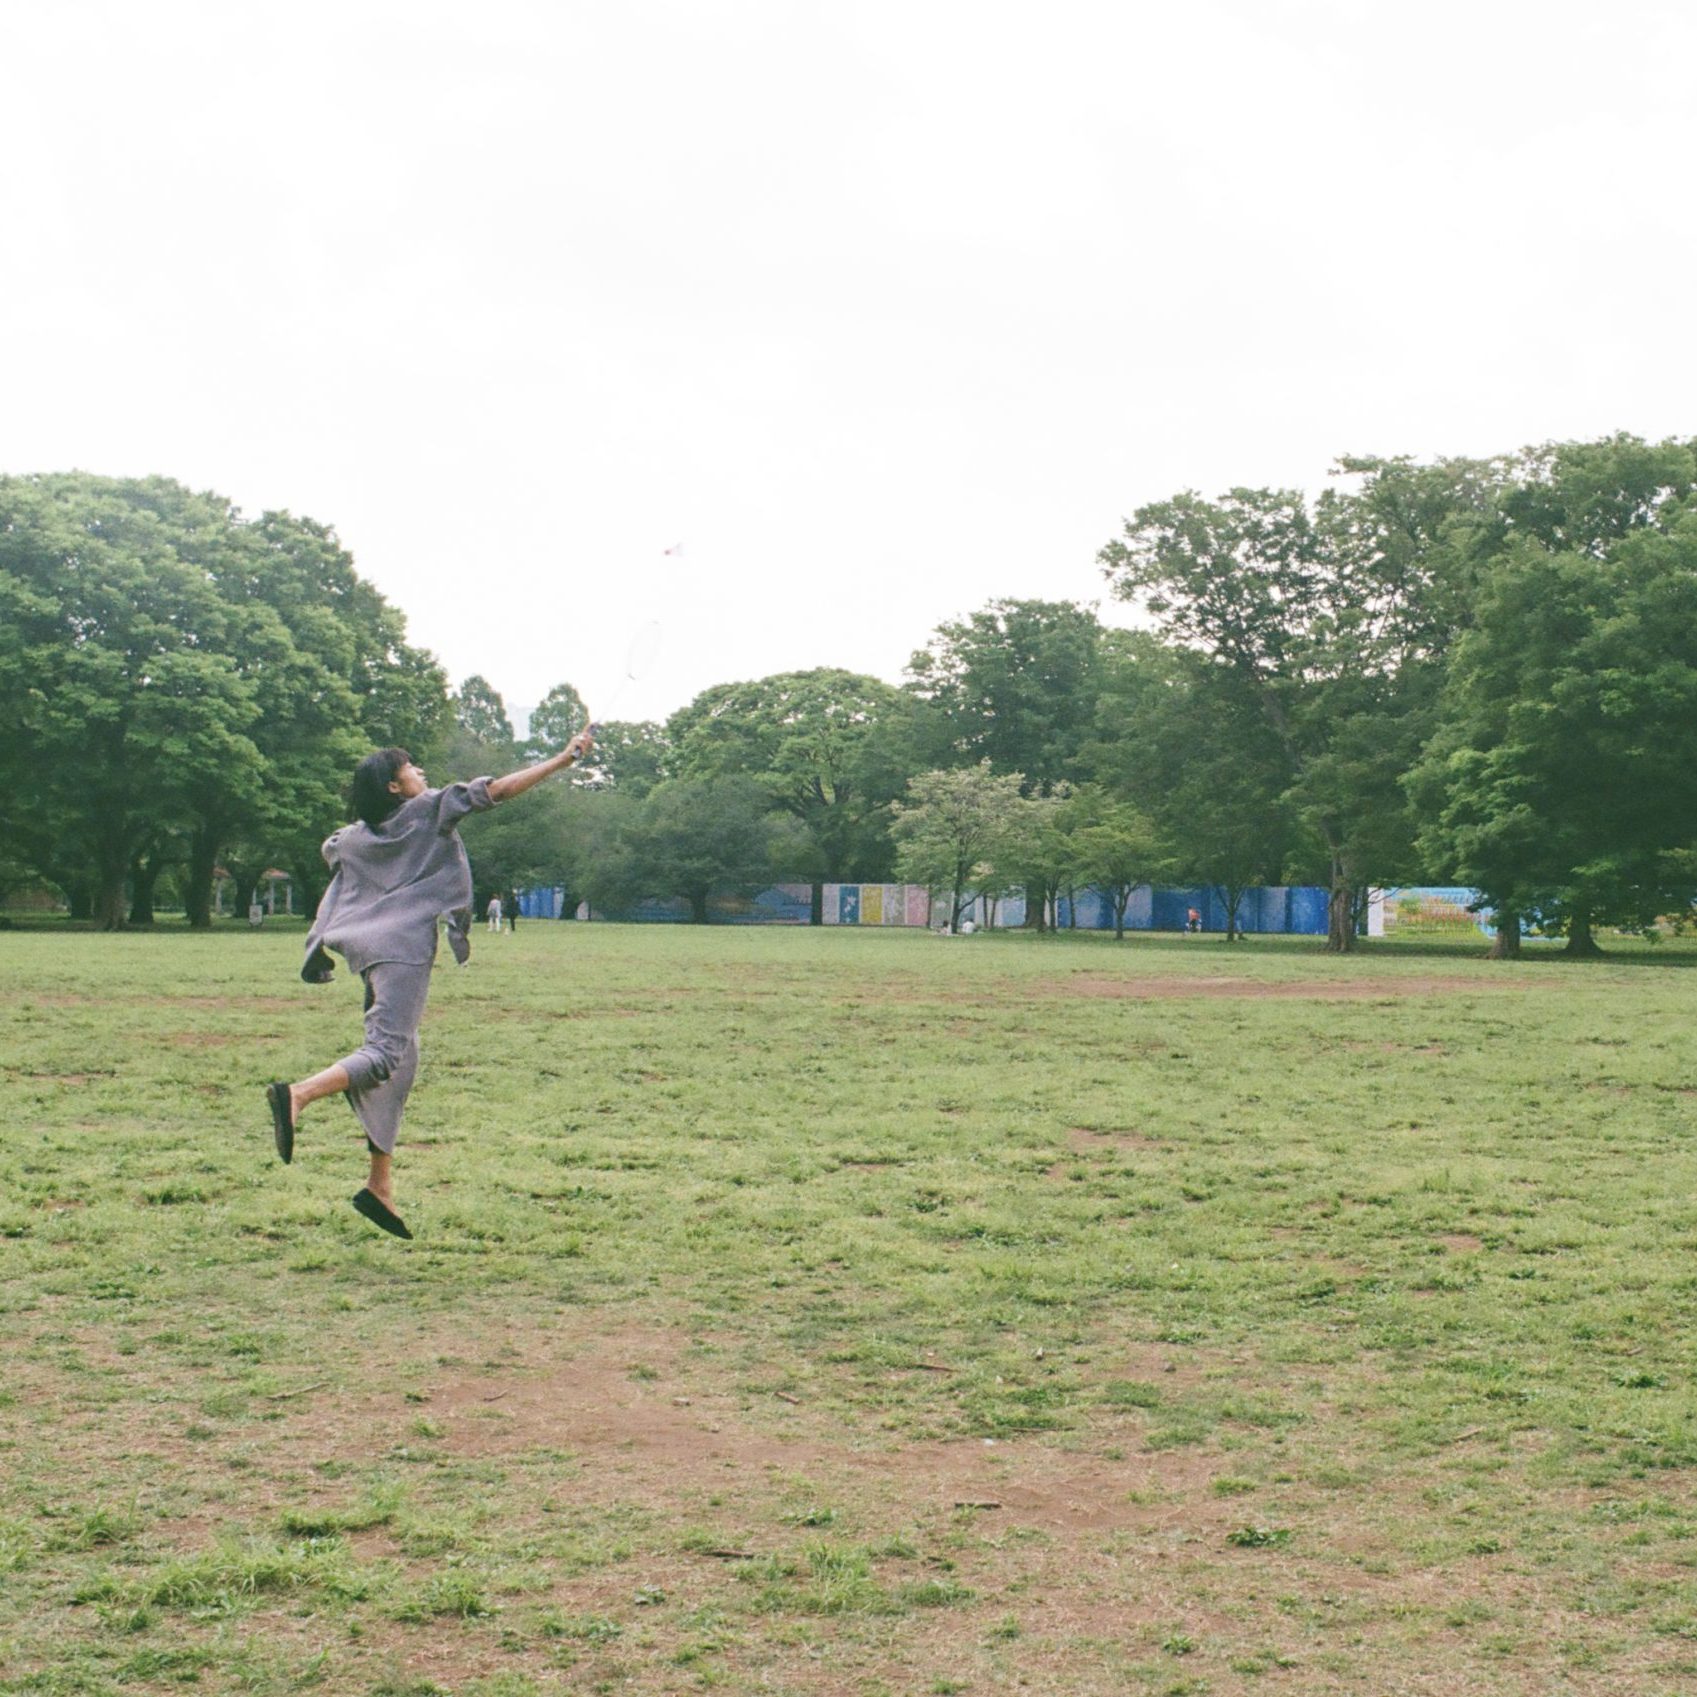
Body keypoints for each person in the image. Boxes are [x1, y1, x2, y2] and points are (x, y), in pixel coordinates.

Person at [265, 728, 593, 1238]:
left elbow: (332, 850)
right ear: (394, 786)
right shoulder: (429, 809)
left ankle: (379, 1185)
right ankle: (299, 1095)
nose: (420, 771)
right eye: (410, 768)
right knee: (384, 1054)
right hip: (403, 950)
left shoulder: (356, 837)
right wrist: (563, 759)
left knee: (401, 1062)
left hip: (368, 952)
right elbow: (497, 791)